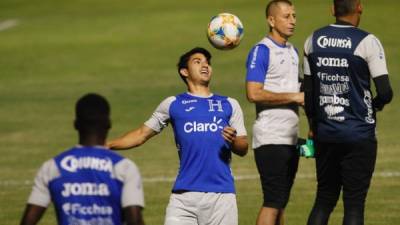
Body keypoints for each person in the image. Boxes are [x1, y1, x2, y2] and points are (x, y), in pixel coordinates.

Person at [107, 47, 248, 225]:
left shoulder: (229, 104)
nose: (205, 65)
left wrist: (234, 140)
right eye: (198, 62)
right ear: (184, 71)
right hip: (183, 197)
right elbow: (142, 134)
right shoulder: (173, 104)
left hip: (222, 196)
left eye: (207, 62)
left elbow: (243, 148)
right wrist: (107, 145)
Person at [303, 0, 393, 224]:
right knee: (354, 205)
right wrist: (375, 105)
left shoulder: (313, 40)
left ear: (333, 9)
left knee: (324, 199)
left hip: (326, 134)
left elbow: (308, 94)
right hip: (358, 134)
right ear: (360, 7)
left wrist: (314, 125)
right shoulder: (367, 42)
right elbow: (385, 92)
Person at [20, 93, 145, 225]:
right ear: (108, 124)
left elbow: (28, 221)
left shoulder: (52, 167)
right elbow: (135, 220)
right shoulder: (124, 167)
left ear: (75, 124)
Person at [245, 1, 304, 225]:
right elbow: (253, 93)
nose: (292, 21)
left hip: (289, 137)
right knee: (273, 201)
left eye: (294, 16)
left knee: (280, 202)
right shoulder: (262, 50)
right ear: (271, 20)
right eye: (286, 16)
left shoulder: (292, 51)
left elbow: (295, 89)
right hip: (270, 137)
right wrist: (295, 97)